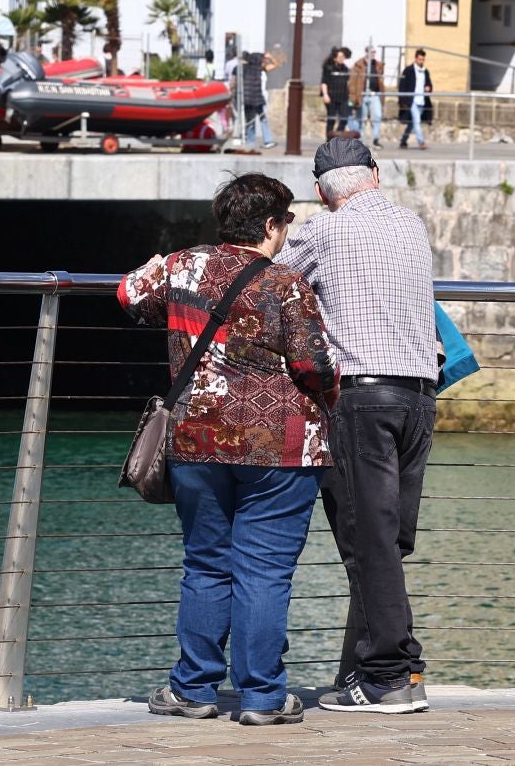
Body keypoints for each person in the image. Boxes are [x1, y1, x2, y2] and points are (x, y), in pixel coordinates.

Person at [120, 173, 340, 727]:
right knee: (264, 571)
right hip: (280, 450)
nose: (286, 230)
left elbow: (129, 294)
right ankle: (262, 698)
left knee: (206, 564)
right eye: (285, 221)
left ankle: (192, 689)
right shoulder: (286, 284)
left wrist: (156, 263)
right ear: (269, 225)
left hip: (196, 440)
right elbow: (315, 366)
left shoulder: (182, 267)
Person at [275, 137, 438, 716]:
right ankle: (370, 674)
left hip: (361, 400)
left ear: (321, 192)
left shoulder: (323, 231)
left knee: (368, 543)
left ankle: (391, 675)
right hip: (419, 398)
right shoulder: (412, 225)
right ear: (376, 174)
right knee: (387, 544)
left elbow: (267, 283)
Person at [236, 51, 277, 149]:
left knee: (250, 120)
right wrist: (270, 57)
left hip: (247, 98)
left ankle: (250, 142)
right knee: (263, 119)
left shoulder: (245, 68)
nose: (264, 62)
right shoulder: (259, 69)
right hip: (258, 98)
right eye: (262, 60)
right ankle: (268, 140)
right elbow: (275, 64)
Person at [347, 47, 384, 148]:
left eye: (375, 52)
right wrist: (353, 96)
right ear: (366, 52)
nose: (373, 54)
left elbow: (380, 80)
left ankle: (375, 139)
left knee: (377, 116)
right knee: (362, 118)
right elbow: (352, 82)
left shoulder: (377, 65)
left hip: (374, 94)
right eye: (372, 52)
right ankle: (360, 140)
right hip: (362, 94)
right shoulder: (359, 65)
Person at [398, 49, 433, 149]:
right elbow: (402, 85)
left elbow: (429, 84)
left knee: (413, 123)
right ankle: (421, 142)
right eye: (419, 59)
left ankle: (403, 141)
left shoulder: (425, 71)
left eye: (423, 59)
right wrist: (403, 100)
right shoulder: (408, 70)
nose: (421, 61)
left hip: (422, 101)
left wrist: (428, 87)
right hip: (412, 100)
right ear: (416, 58)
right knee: (417, 121)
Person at [321, 46, 351, 137]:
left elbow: (348, 82)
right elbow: (324, 82)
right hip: (331, 97)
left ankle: (337, 137)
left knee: (344, 119)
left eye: (343, 57)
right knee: (331, 119)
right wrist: (325, 95)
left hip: (343, 97)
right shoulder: (329, 68)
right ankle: (329, 139)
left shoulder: (345, 68)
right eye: (340, 57)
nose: (342, 59)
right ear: (335, 58)